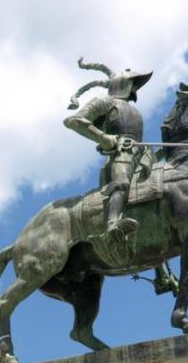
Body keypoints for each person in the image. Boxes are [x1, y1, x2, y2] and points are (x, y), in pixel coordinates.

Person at [64, 60, 153, 241]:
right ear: (124, 85)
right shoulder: (105, 103)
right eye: (133, 84)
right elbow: (73, 121)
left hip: (143, 153)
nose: (135, 90)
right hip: (121, 153)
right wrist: (103, 138)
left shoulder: (133, 110)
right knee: (122, 183)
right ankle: (112, 225)